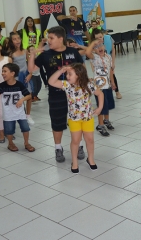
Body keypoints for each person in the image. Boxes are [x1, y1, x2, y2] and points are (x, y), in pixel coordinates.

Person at [28, 26, 84, 163]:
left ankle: (80, 145)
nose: (49, 41)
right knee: (57, 122)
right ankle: (58, 148)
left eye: (51, 38)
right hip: (56, 95)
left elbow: (82, 70)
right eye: (48, 38)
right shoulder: (46, 55)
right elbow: (31, 69)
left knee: (76, 121)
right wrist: (33, 53)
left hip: (75, 96)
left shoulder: (73, 52)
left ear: (61, 38)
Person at [48, 63, 103, 173]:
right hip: (74, 119)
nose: (67, 76)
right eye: (67, 74)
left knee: (90, 140)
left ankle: (91, 159)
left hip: (88, 118)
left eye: (70, 74)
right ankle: (75, 162)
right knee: (75, 141)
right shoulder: (67, 85)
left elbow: (100, 94)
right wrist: (61, 71)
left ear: (78, 75)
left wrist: (100, 107)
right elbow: (51, 81)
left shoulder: (89, 85)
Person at [0, 63, 35, 152]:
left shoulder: (19, 84)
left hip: (20, 112)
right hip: (8, 112)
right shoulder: (3, 85)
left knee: (25, 128)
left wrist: (22, 100)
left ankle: (26, 143)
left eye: (5, 71)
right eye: (2, 71)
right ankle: (10, 143)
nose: (2, 73)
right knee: (9, 130)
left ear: (12, 73)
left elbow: (29, 95)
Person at [85, 40, 116, 137]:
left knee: (109, 104)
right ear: (94, 50)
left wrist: (112, 82)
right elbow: (87, 52)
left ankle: (106, 120)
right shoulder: (94, 57)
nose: (99, 48)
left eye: (101, 46)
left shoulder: (108, 57)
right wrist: (92, 44)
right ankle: (100, 124)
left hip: (107, 84)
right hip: (99, 87)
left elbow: (110, 71)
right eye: (96, 47)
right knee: (101, 105)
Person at [6, 32, 34, 125]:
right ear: (11, 41)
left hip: (26, 75)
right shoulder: (11, 54)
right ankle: (18, 115)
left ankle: (28, 115)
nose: (17, 40)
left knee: (29, 95)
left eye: (18, 38)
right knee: (18, 97)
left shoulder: (25, 50)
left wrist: (30, 74)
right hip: (17, 77)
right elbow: (10, 68)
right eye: (14, 39)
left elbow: (29, 63)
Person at [13, 16, 46, 87]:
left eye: (31, 21)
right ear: (26, 23)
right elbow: (14, 32)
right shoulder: (23, 31)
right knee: (30, 72)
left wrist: (39, 51)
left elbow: (40, 42)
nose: (30, 22)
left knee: (39, 70)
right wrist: (17, 23)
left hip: (35, 54)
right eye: (28, 21)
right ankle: (31, 89)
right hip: (26, 54)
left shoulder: (38, 31)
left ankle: (44, 84)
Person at [91, 28, 122, 99]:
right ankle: (102, 95)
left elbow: (113, 50)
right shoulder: (94, 44)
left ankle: (117, 91)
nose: (99, 39)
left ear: (103, 35)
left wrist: (113, 62)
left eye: (100, 37)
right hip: (99, 64)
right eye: (96, 38)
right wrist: (93, 67)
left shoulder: (108, 38)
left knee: (112, 75)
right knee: (102, 80)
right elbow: (91, 56)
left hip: (108, 60)